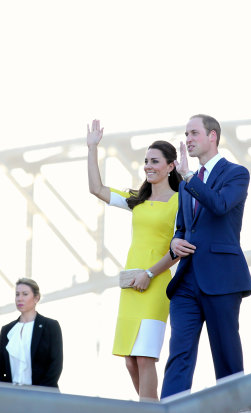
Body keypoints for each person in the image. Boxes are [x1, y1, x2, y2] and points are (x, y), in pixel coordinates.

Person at [160, 114, 251, 399]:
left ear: (212, 136)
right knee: (178, 355)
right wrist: (176, 240)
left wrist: (188, 177)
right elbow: (183, 226)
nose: (187, 139)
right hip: (186, 282)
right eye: (186, 134)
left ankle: (234, 406)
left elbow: (221, 205)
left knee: (226, 355)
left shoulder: (236, 174)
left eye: (193, 133)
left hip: (222, 279)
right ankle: (170, 408)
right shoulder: (188, 181)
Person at [87, 119, 181, 401]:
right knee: (129, 359)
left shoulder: (181, 201)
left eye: (155, 161)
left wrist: (149, 274)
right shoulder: (136, 199)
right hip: (132, 285)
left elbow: (178, 248)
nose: (148, 166)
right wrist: (92, 148)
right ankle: (152, 406)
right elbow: (97, 189)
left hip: (155, 284)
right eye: (146, 161)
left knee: (144, 357)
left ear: (170, 166)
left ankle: (148, 409)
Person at [0, 278, 63, 389]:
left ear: (36, 298)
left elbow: (55, 365)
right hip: (12, 397)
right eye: (17, 294)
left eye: (25, 294)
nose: (20, 299)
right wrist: (5, 391)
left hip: (42, 397)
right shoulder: (7, 330)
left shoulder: (50, 326)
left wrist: (40, 393)